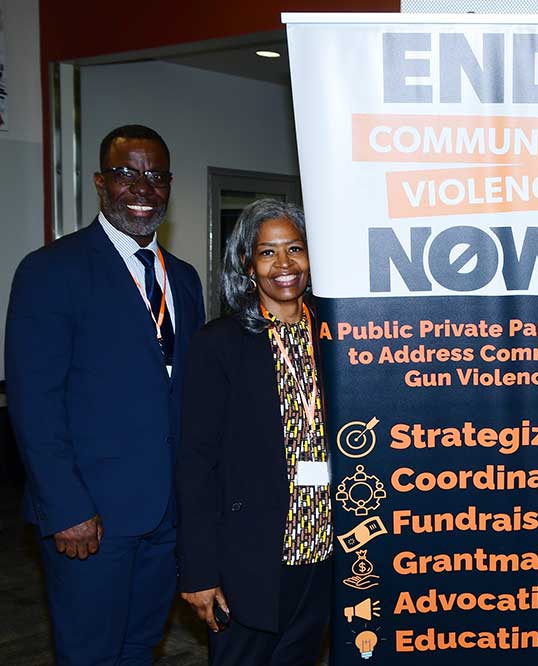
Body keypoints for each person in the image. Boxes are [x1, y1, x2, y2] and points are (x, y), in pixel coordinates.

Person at [5, 124, 205, 664]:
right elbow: (34, 401)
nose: (142, 188)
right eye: (126, 174)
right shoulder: (51, 270)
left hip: (166, 515)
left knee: (141, 646)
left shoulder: (184, 279)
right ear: (99, 182)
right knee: (90, 653)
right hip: (90, 519)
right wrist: (65, 506)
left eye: (155, 176)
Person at [176, 199, 333, 665]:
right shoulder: (219, 344)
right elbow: (195, 463)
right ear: (247, 264)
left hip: (326, 552)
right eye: (267, 253)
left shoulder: (339, 336)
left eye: (296, 249)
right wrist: (199, 571)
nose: (284, 265)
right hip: (251, 558)